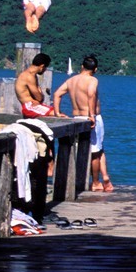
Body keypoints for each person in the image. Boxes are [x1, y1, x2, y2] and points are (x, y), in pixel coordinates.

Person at [55, 54, 112, 192]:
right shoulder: (92, 80)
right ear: (96, 69)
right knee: (95, 151)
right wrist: (92, 115)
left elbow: (57, 94)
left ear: (82, 66)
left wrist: (57, 112)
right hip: (91, 118)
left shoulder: (71, 81)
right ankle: (96, 182)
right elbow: (91, 94)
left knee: (97, 148)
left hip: (77, 118)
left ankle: (105, 177)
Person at [16, 53, 56, 117]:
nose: (45, 70)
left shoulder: (31, 75)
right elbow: (39, 98)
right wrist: (40, 93)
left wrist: (38, 97)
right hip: (29, 107)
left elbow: (39, 99)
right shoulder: (29, 76)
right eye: (45, 68)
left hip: (32, 106)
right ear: (42, 66)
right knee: (57, 114)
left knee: (57, 111)